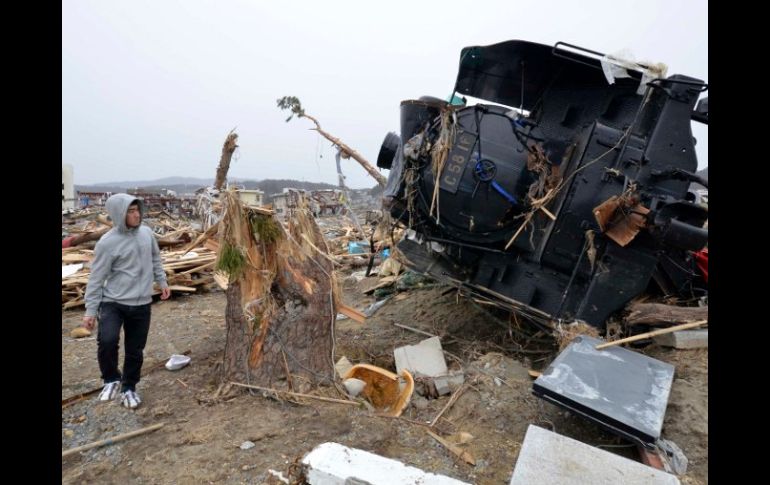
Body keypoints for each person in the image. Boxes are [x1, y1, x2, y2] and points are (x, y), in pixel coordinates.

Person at [82, 194, 171, 409]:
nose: (136, 214)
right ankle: (111, 379)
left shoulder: (147, 234)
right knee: (107, 341)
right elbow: (96, 278)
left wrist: (162, 280)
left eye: (137, 210)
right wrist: (90, 310)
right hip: (113, 302)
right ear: (119, 214)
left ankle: (129, 387)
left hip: (141, 303)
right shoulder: (107, 243)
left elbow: (155, 259)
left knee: (135, 350)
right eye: (130, 211)